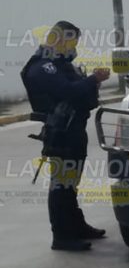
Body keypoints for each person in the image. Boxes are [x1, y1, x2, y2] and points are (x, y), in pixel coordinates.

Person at [21, 21, 110, 251]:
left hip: (74, 131)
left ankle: (76, 226)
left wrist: (90, 83)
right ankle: (61, 235)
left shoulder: (61, 64)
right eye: (72, 41)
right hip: (61, 134)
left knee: (71, 184)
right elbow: (67, 91)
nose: (74, 46)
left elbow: (78, 90)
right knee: (61, 186)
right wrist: (93, 80)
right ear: (59, 39)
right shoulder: (43, 66)